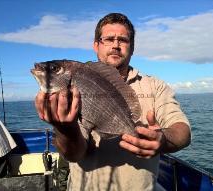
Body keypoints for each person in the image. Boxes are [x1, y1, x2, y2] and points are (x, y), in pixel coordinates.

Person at [35, 13, 191, 190]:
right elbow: (74, 154)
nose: (116, 45)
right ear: (96, 45)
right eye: (109, 39)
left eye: (123, 40)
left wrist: (162, 140)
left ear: (132, 48)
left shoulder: (155, 86)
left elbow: (183, 131)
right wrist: (65, 129)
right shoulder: (69, 92)